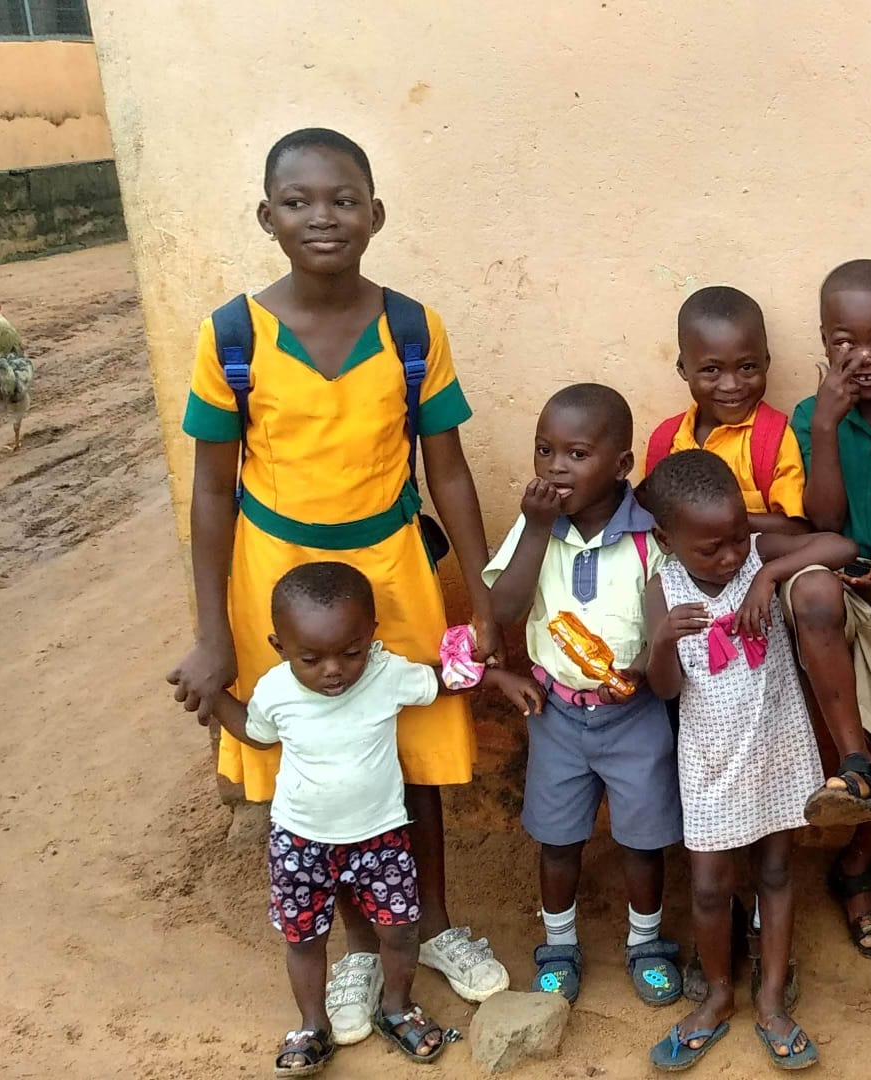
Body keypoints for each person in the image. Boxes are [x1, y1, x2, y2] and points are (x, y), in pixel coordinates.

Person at [167, 128, 510, 1024]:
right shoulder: (232, 337)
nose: (323, 217)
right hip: (278, 581)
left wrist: (482, 595)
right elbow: (211, 492)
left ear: (376, 214)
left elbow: (450, 470)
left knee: (415, 755)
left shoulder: (411, 328)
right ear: (267, 216)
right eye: (299, 201)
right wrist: (213, 633)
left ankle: (429, 924)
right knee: (313, 767)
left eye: (344, 199)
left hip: (392, 571)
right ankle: (360, 948)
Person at [194, 562, 531, 1074]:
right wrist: (214, 696)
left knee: (401, 930)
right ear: (280, 647)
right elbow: (255, 733)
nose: (333, 670)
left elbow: (438, 681)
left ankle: (397, 1006)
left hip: (381, 841)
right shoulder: (276, 690)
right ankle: (312, 1025)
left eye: (350, 653)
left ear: (371, 637)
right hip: (299, 844)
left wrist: (497, 677)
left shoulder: (384, 673)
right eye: (311, 659)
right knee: (304, 940)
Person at [639, 449, 857, 1072]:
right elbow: (666, 689)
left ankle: (771, 1002)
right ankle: (717, 996)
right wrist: (662, 641)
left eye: (737, 536)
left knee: (777, 873)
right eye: (712, 548)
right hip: (709, 757)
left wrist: (768, 572)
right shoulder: (663, 590)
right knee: (710, 886)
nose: (731, 555)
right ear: (667, 541)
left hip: (776, 746)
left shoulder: (757, 554)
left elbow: (840, 546)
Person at [481, 383, 687, 1007]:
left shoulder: (651, 538)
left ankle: (646, 942)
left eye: (576, 454)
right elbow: (502, 610)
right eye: (544, 451)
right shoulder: (535, 527)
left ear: (621, 465)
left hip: (635, 714)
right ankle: (559, 944)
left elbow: (665, 630)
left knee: (642, 839)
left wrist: (645, 671)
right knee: (558, 838)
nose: (555, 468)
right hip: (557, 716)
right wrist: (537, 529)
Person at [785, 259, 871, 958]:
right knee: (813, 586)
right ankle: (851, 757)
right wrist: (825, 425)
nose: (862, 357)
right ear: (823, 340)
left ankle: (854, 865)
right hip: (834, 588)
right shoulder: (812, 416)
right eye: (844, 342)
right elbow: (822, 522)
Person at [642, 286, 809, 536]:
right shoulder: (666, 441)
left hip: (764, 557)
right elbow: (651, 520)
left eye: (747, 367)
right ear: (683, 368)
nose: (731, 385)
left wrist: (718, 520)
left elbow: (796, 528)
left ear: (766, 362)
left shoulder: (772, 440)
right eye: (711, 370)